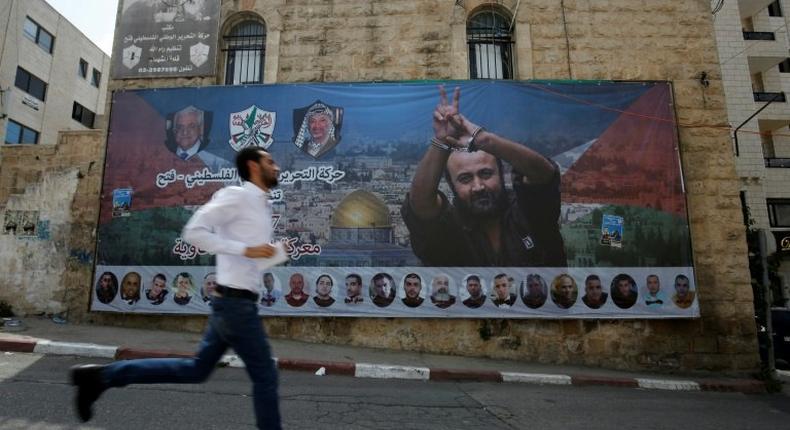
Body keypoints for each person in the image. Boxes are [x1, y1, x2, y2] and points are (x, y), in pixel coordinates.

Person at [70, 146, 284, 429]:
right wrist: (247, 250)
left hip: (233, 303)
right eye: (270, 161)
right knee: (266, 376)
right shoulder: (237, 196)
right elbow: (194, 232)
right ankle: (102, 377)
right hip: (235, 306)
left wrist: (269, 255)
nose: (277, 166)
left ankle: (102, 377)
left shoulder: (262, 205)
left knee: (196, 371)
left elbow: (245, 259)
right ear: (253, 166)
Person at [401, 85, 566, 267]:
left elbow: (543, 174)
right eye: (465, 179)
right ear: (452, 184)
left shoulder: (528, 212)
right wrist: (441, 141)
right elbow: (421, 204)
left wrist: (485, 140)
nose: (478, 186)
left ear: (501, 174)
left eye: (486, 174)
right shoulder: (449, 228)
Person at [164, 105, 230, 170]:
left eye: (191, 126)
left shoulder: (213, 156)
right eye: (180, 127)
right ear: (174, 130)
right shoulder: (164, 155)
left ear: (200, 129)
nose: (185, 132)